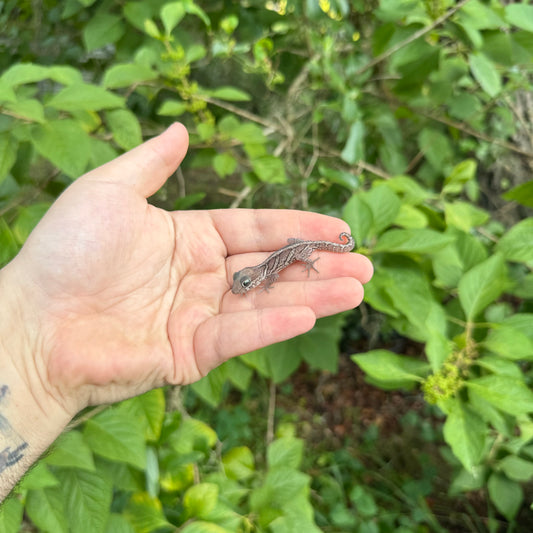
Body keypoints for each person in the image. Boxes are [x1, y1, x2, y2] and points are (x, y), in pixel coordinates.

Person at [0, 122, 373, 502]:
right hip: (288, 253)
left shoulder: (266, 275)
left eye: (243, 283)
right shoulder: (258, 275)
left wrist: (35, 359)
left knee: (312, 260)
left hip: (296, 251)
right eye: (243, 283)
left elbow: (275, 269)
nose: (242, 285)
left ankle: (336, 248)